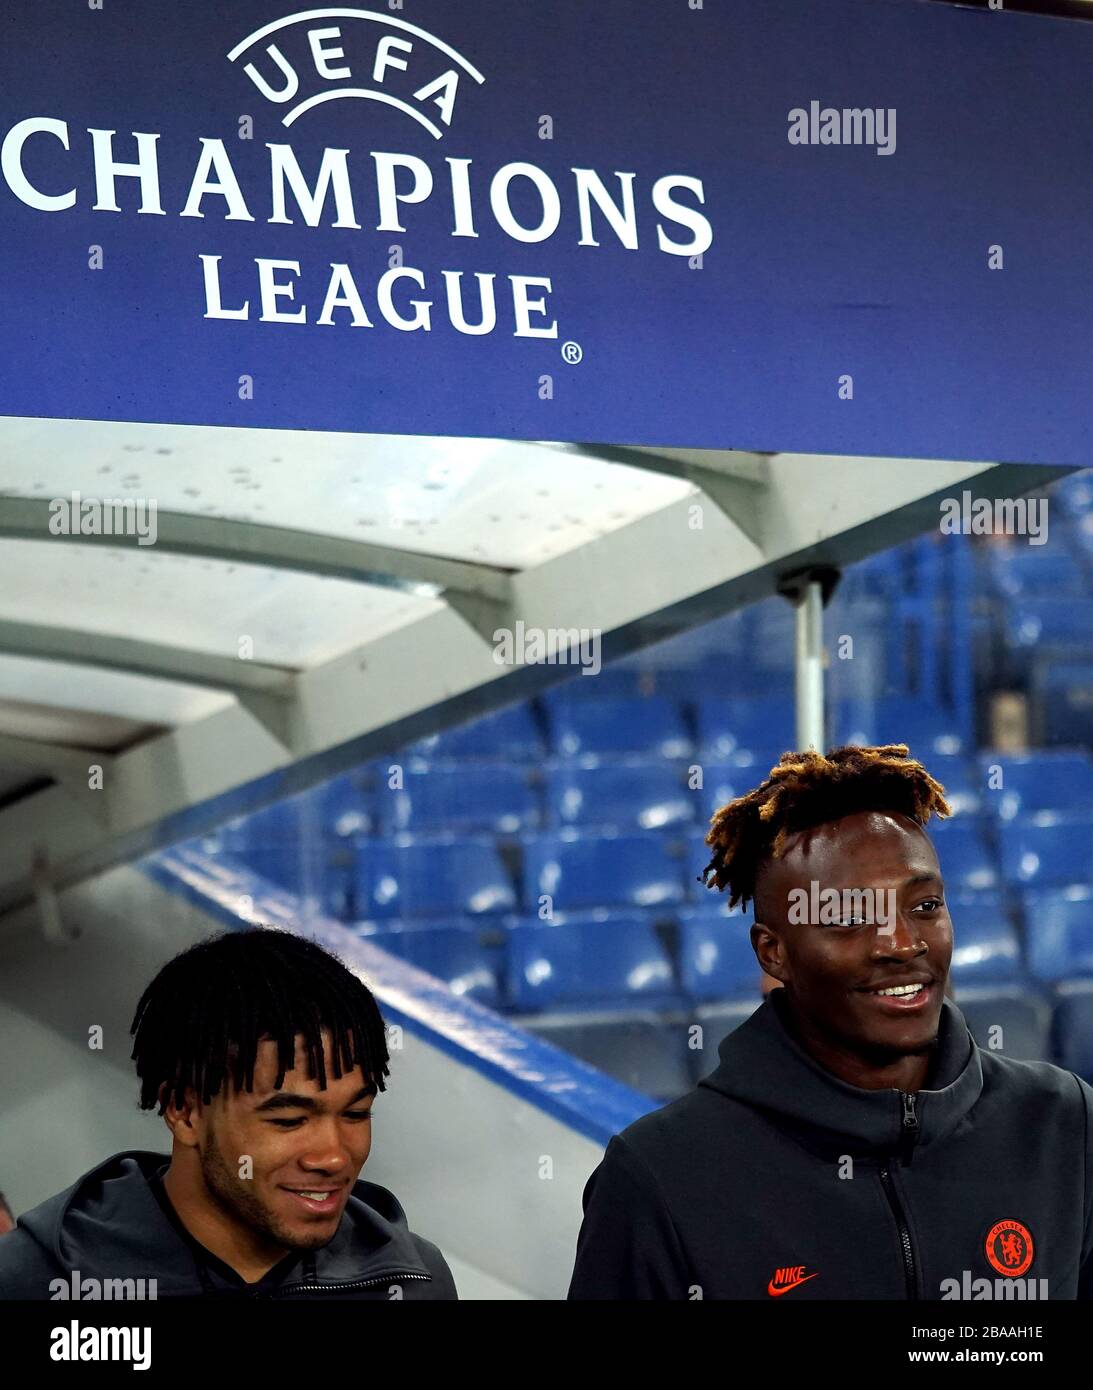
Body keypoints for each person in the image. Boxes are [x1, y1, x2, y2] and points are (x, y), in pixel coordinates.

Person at [568, 744, 1093, 1300]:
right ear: (774, 953)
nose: (902, 943)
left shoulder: (1064, 1123)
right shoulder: (662, 1176)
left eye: (924, 906)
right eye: (848, 918)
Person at [0, 927, 457, 1300]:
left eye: (356, 1114)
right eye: (288, 1121)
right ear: (184, 1110)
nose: (333, 1157)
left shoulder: (414, 1283)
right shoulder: (39, 1280)